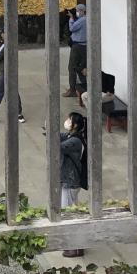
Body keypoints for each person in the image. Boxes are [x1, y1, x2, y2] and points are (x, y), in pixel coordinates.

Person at [60, 111, 87, 258]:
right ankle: (76, 245)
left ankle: (75, 247)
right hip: (69, 181)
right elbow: (59, 137)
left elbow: (59, 146)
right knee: (72, 211)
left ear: (75, 125)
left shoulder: (75, 141)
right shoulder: (72, 136)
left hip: (71, 182)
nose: (67, 122)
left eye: (69, 120)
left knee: (69, 214)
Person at [64, 4, 87, 99]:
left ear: (82, 11)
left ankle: (72, 90)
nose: (77, 12)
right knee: (81, 67)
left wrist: (71, 18)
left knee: (72, 67)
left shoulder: (82, 20)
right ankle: (84, 89)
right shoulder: (87, 19)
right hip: (85, 46)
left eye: (78, 10)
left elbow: (72, 28)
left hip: (77, 46)